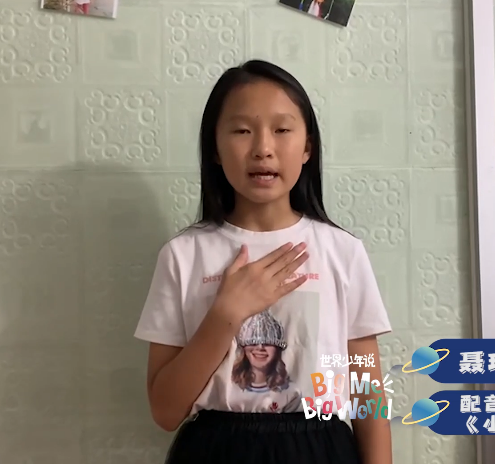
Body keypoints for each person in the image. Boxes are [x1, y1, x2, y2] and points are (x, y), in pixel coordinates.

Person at [134, 59, 393, 464]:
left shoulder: (342, 251)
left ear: (307, 147)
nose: (263, 148)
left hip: (322, 448)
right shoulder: (183, 256)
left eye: (282, 130)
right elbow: (165, 412)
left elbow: (368, 394)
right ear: (215, 148)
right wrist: (226, 314)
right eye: (242, 131)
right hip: (214, 452)